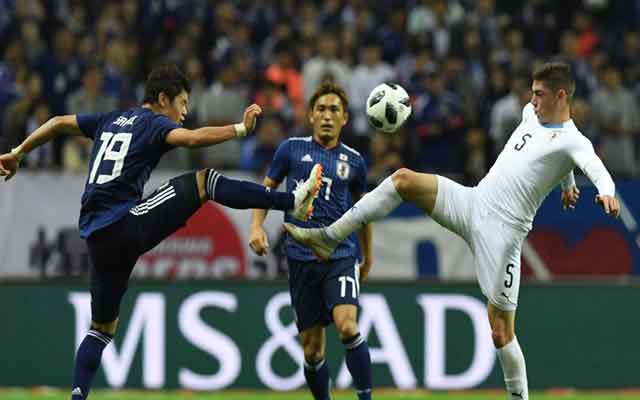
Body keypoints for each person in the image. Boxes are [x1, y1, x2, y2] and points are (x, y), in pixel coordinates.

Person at [284, 62, 620, 400]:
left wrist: (604, 190)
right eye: (532, 93)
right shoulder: (530, 115)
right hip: (472, 201)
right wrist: (566, 183)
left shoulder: (574, 140)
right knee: (402, 180)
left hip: (502, 237)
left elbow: (590, 163)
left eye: (539, 94)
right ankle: (329, 237)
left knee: (501, 332)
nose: (531, 100)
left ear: (561, 95)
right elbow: (556, 159)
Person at [0, 64, 323, 400]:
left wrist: (19, 152)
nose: (185, 112)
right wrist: (240, 129)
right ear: (163, 98)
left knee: (101, 330)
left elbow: (57, 123)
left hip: (96, 239)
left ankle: (78, 396)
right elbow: (194, 139)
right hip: (123, 224)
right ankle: (292, 201)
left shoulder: (110, 119)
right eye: (182, 103)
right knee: (205, 182)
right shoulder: (153, 123)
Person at [249, 83, 374, 400]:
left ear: (345, 118)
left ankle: (365, 397)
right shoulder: (290, 149)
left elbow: (364, 211)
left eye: (334, 110)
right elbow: (265, 190)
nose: (327, 116)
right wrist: (256, 227)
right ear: (310, 115)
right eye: (321, 109)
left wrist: (368, 257)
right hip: (301, 260)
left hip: (340, 256)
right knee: (312, 351)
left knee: (348, 326)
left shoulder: (355, 161)